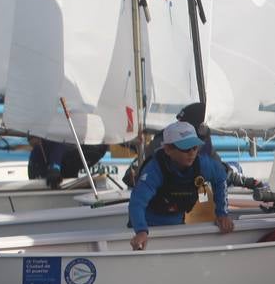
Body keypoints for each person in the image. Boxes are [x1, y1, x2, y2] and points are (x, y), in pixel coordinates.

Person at [128, 120, 235, 251]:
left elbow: (220, 178)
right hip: (148, 229)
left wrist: (222, 213)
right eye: (185, 148)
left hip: (177, 227)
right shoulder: (154, 170)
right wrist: (141, 231)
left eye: (195, 147)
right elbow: (137, 202)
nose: (191, 153)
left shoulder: (203, 165)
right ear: (167, 149)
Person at [121, 102, 260, 190]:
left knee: (231, 168)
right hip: (163, 205)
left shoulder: (202, 145)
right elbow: (138, 180)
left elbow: (219, 170)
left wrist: (247, 182)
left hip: (193, 196)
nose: (192, 152)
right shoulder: (163, 145)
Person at [28, 138, 109, 188]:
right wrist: (54, 168)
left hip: (68, 163)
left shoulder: (98, 148)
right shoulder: (44, 146)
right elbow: (58, 148)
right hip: (45, 168)